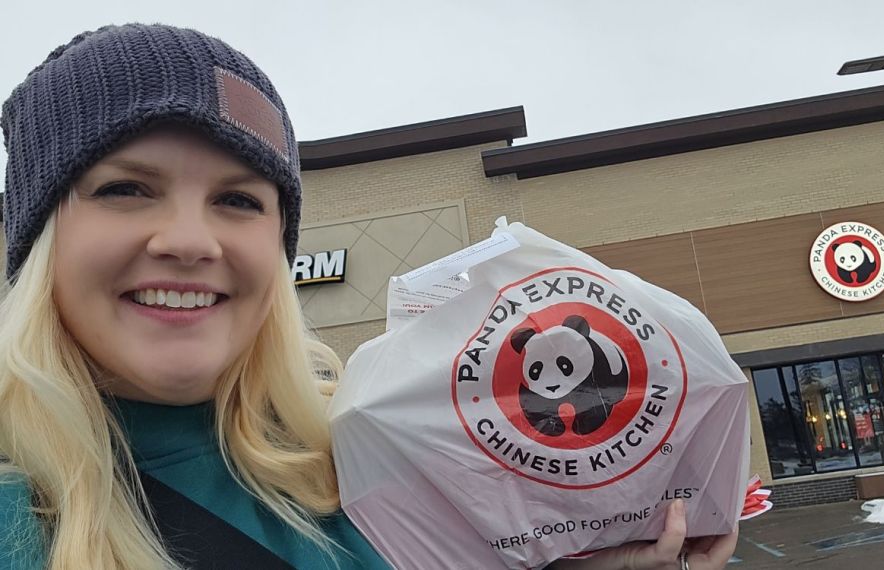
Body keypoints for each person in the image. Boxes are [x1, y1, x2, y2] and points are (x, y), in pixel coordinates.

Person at [0, 23, 737, 569]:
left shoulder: (385, 471)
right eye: (126, 189)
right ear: (36, 246)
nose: (192, 241)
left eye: (239, 201)